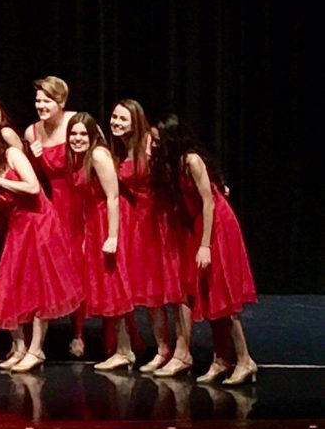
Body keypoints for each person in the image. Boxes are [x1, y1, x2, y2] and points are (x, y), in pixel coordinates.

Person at [151, 114, 257, 385]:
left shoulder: (191, 160)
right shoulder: (172, 165)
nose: (153, 145)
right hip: (199, 227)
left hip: (217, 227)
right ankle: (221, 359)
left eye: (156, 140)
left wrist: (205, 245)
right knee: (208, 297)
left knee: (223, 296)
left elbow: (208, 203)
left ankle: (245, 360)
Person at [0, 124, 82, 373]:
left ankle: (36, 349)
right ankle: (20, 346)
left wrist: (0, 179)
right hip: (18, 227)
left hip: (40, 220)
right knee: (10, 285)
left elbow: (33, 187)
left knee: (43, 285)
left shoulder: (12, 155)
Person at [108, 99, 183, 373]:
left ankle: (181, 351)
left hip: (162, 221)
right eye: (114, 117)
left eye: (122, 118)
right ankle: (163, 349)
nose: (116, 122)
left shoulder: (150, 145)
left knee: (172, 290)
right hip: (140, 225)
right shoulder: (117, 149)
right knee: (152, 293)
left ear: (136, 121)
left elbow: (177, 170)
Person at [66, 113, 136, 370]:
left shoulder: (97, 155)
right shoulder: (82, 158)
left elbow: (113, 197)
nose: (77, 138)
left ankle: (124, 350)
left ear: (93, 135)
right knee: (109, 284)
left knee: (113, 282)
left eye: (83, 134)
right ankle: (122, 348)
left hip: (111, 222)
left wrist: (113, 236)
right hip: (97, 223)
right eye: (73, 134)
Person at [24, 76, 85, 356]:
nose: (40, 105)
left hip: (81, 202)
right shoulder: (31, 132)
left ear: (61, 101)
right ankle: (37, 336)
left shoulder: (78, 123)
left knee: (80, 265)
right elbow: (32, 179)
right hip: (53, 207)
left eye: (46, 100)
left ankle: (79, 334)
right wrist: (35, 158)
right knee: (51, 268)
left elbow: (100, 156)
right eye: (38, 100)